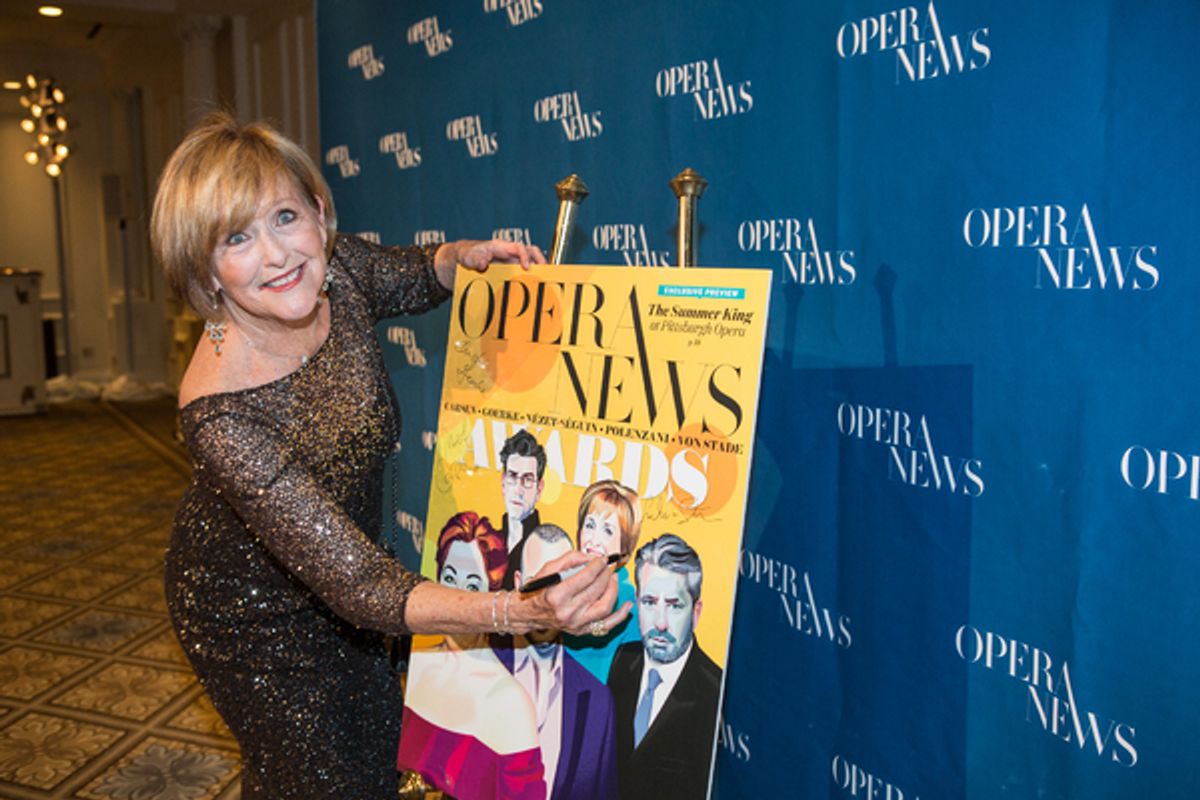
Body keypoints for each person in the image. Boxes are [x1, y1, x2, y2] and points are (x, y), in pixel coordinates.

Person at [155, 112, 628, 799]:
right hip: (251, 617)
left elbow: (410, 273)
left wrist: (460, 255)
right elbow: (362, 589)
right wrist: (524, 613)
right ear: (207, 270)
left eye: (285, 216)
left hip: (347, 579)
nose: (277, 254)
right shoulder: (221, 416)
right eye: (237, 237)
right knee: (327, 776)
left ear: (319, 213)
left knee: (369, 758)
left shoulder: (336, 270)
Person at [399, 512, 547, 800]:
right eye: (449, 578)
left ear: (493, 593)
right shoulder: (415, 662)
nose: (458, 598)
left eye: (472, 586)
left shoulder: (509, 703)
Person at [499, 524, 618, 800]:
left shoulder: (599, 703)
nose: (549, 602)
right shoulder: (477, 671)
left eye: (559, 585)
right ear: (518, 583)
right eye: (536, 584)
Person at [607, 535, 722, 800]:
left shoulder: (715, 693)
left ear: (696, 612)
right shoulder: (624, 659)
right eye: (649, 602)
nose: (660, 623)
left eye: (674, 606)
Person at [563, 480, 644, 682]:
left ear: (624, 546)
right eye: (590, 525)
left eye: (607, 530)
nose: (594, 541)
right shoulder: (564, 579)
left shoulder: (628, 600)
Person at [498, 429, 547, 589]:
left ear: (539, 489)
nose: (518, 490)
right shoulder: (489, 540)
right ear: (503, 482)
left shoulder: (546, 549)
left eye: (527, 479)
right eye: (512, 476)